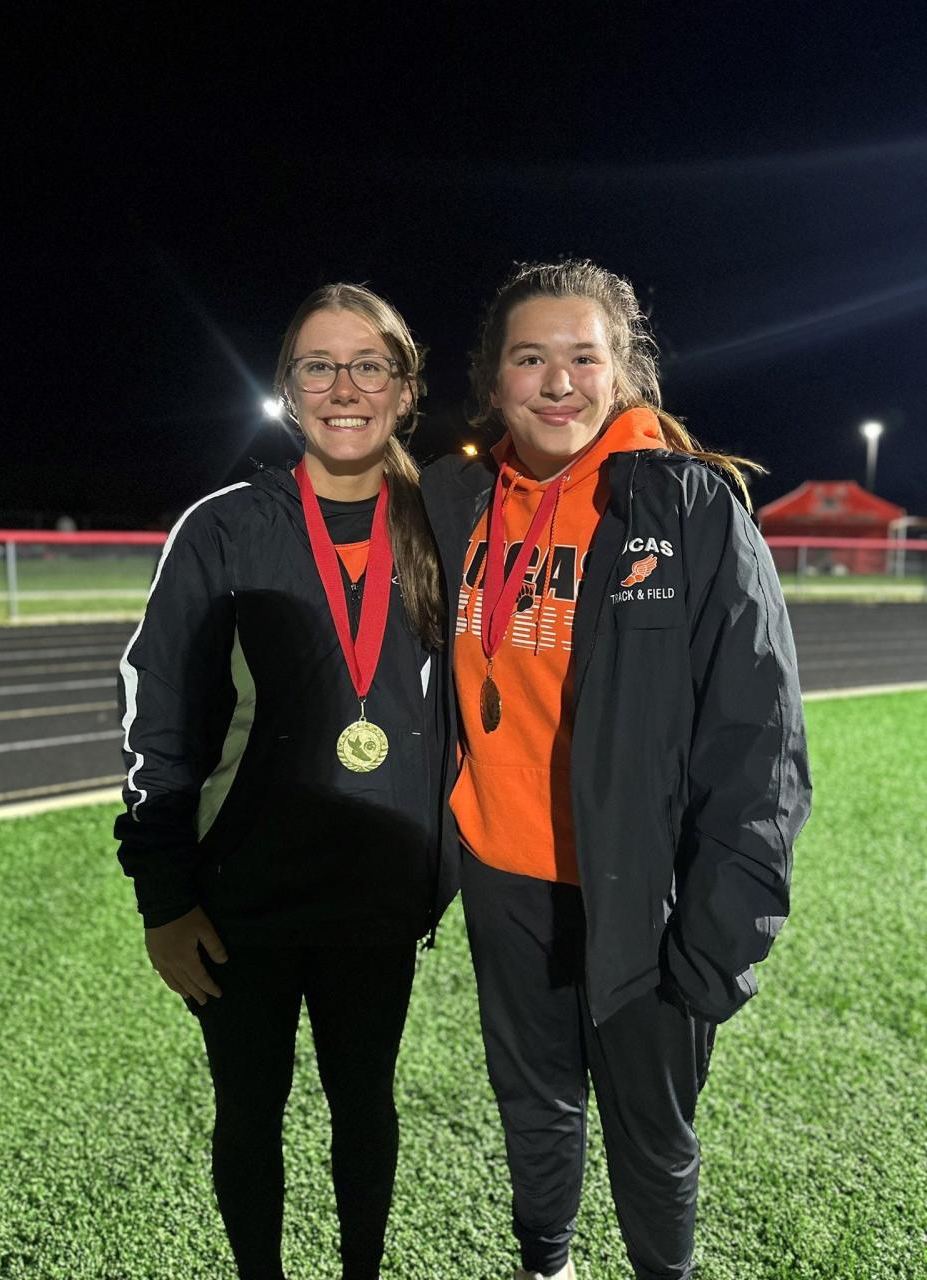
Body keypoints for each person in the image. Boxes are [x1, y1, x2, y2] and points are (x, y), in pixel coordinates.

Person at [420, 260, 811, 1280]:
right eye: (530, 357)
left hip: (647, 892)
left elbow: (760, 740)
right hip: (505, 882)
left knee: (652, 1135)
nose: (557, 381)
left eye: (582, 357)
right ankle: (543, 1262)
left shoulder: (690, 507)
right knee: (535, 1103)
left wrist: (724, 931)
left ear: (622, 370)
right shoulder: (458, 500)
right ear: (494, 378)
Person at [114, 283, 456, 1280]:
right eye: (319, 364)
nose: (343, 385)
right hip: (239, 901)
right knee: (247, 1113)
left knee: (367, 1109)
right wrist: (165, 897)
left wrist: (440, 871)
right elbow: (159, 717)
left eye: (369, 365)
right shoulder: (222, 528)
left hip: (379, 900)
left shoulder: (443, 525)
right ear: (288, 390)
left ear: (402, 389)